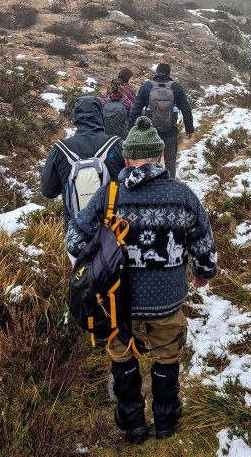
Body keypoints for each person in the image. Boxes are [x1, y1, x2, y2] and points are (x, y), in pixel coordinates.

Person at [66, 117, 217, 444]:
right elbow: (203, 242)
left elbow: (75, 241)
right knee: (167, 358)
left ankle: (133, 425)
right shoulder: (182, 195)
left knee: (122, 359)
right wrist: (203, 272)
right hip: (167, 302)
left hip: (118, 305)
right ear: (160, 157)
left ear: (127, 159)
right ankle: (166, 423)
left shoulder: (109, 195)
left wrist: (104, 251)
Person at [41, 96, 125, 230]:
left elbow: (48, 191)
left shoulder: (60, 150)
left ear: (76, 117)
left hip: (76, 231)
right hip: (112, 229)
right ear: (100, 116)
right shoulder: (117, 145)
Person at [128, 63, 194, 180]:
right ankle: (170, 185)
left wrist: (131, 130)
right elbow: (186, 109)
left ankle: (150, 186)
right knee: (170, 162)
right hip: (170, 132)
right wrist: (189, 129)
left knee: (149, 162)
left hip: (149, 133)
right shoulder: (176, 87)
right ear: (169, 73)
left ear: (156, 72)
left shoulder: (146, 87)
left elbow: (135, 110)